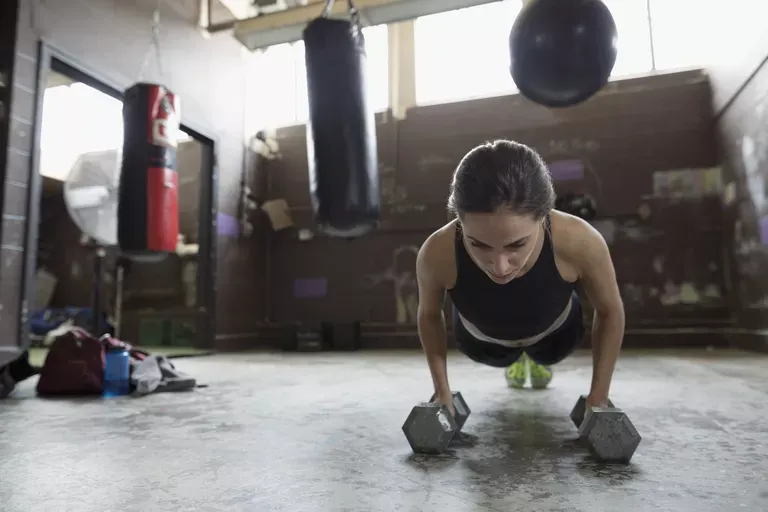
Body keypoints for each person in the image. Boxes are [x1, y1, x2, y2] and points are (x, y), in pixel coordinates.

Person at [416, 139, 625, 418]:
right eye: (478, 244)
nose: (500, 267)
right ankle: (516, 361)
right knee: (500, 355)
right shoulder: (437, 251)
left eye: (516, 245)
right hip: (483, 344)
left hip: (556, 337)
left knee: (545, 352)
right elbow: (429, 315)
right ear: (459, 219)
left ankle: (536, 360)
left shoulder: (580, 240)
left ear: (543, 216)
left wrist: (599, 395)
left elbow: (610, 310)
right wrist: (441, 391)